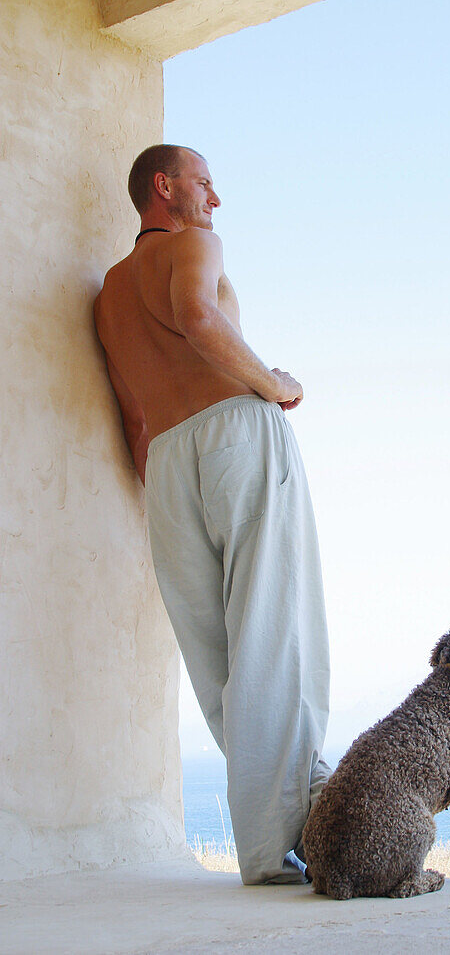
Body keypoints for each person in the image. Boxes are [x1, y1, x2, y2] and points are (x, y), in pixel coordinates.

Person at [94, 144, 330, 885]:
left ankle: (272, 845)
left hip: (164, 462)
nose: (214, 201)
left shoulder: (107, 293)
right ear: (163, 188)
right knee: (274, 628)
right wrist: (276, 385)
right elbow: (197, 316)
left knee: (214, 654)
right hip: (234, 429)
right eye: (202, 184)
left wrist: (165, 483)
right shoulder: (194, 245)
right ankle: (308, 826)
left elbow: (134, 416)